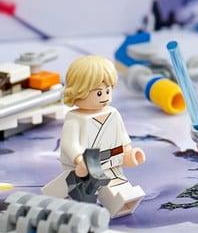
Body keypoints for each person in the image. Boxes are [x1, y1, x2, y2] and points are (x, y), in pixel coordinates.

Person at [42, 55, 146, 217]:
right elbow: (69, 144)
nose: (105, 96)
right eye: (98, 93)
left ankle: (125, 201)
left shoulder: (113, 113)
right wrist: (80, 160)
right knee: (89, 188)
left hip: (113, 162)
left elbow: (123, 138)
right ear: (79, 91)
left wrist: (129, 154)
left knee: (121, 185)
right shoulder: (75, 118)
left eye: (108, 90)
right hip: (87, 164)